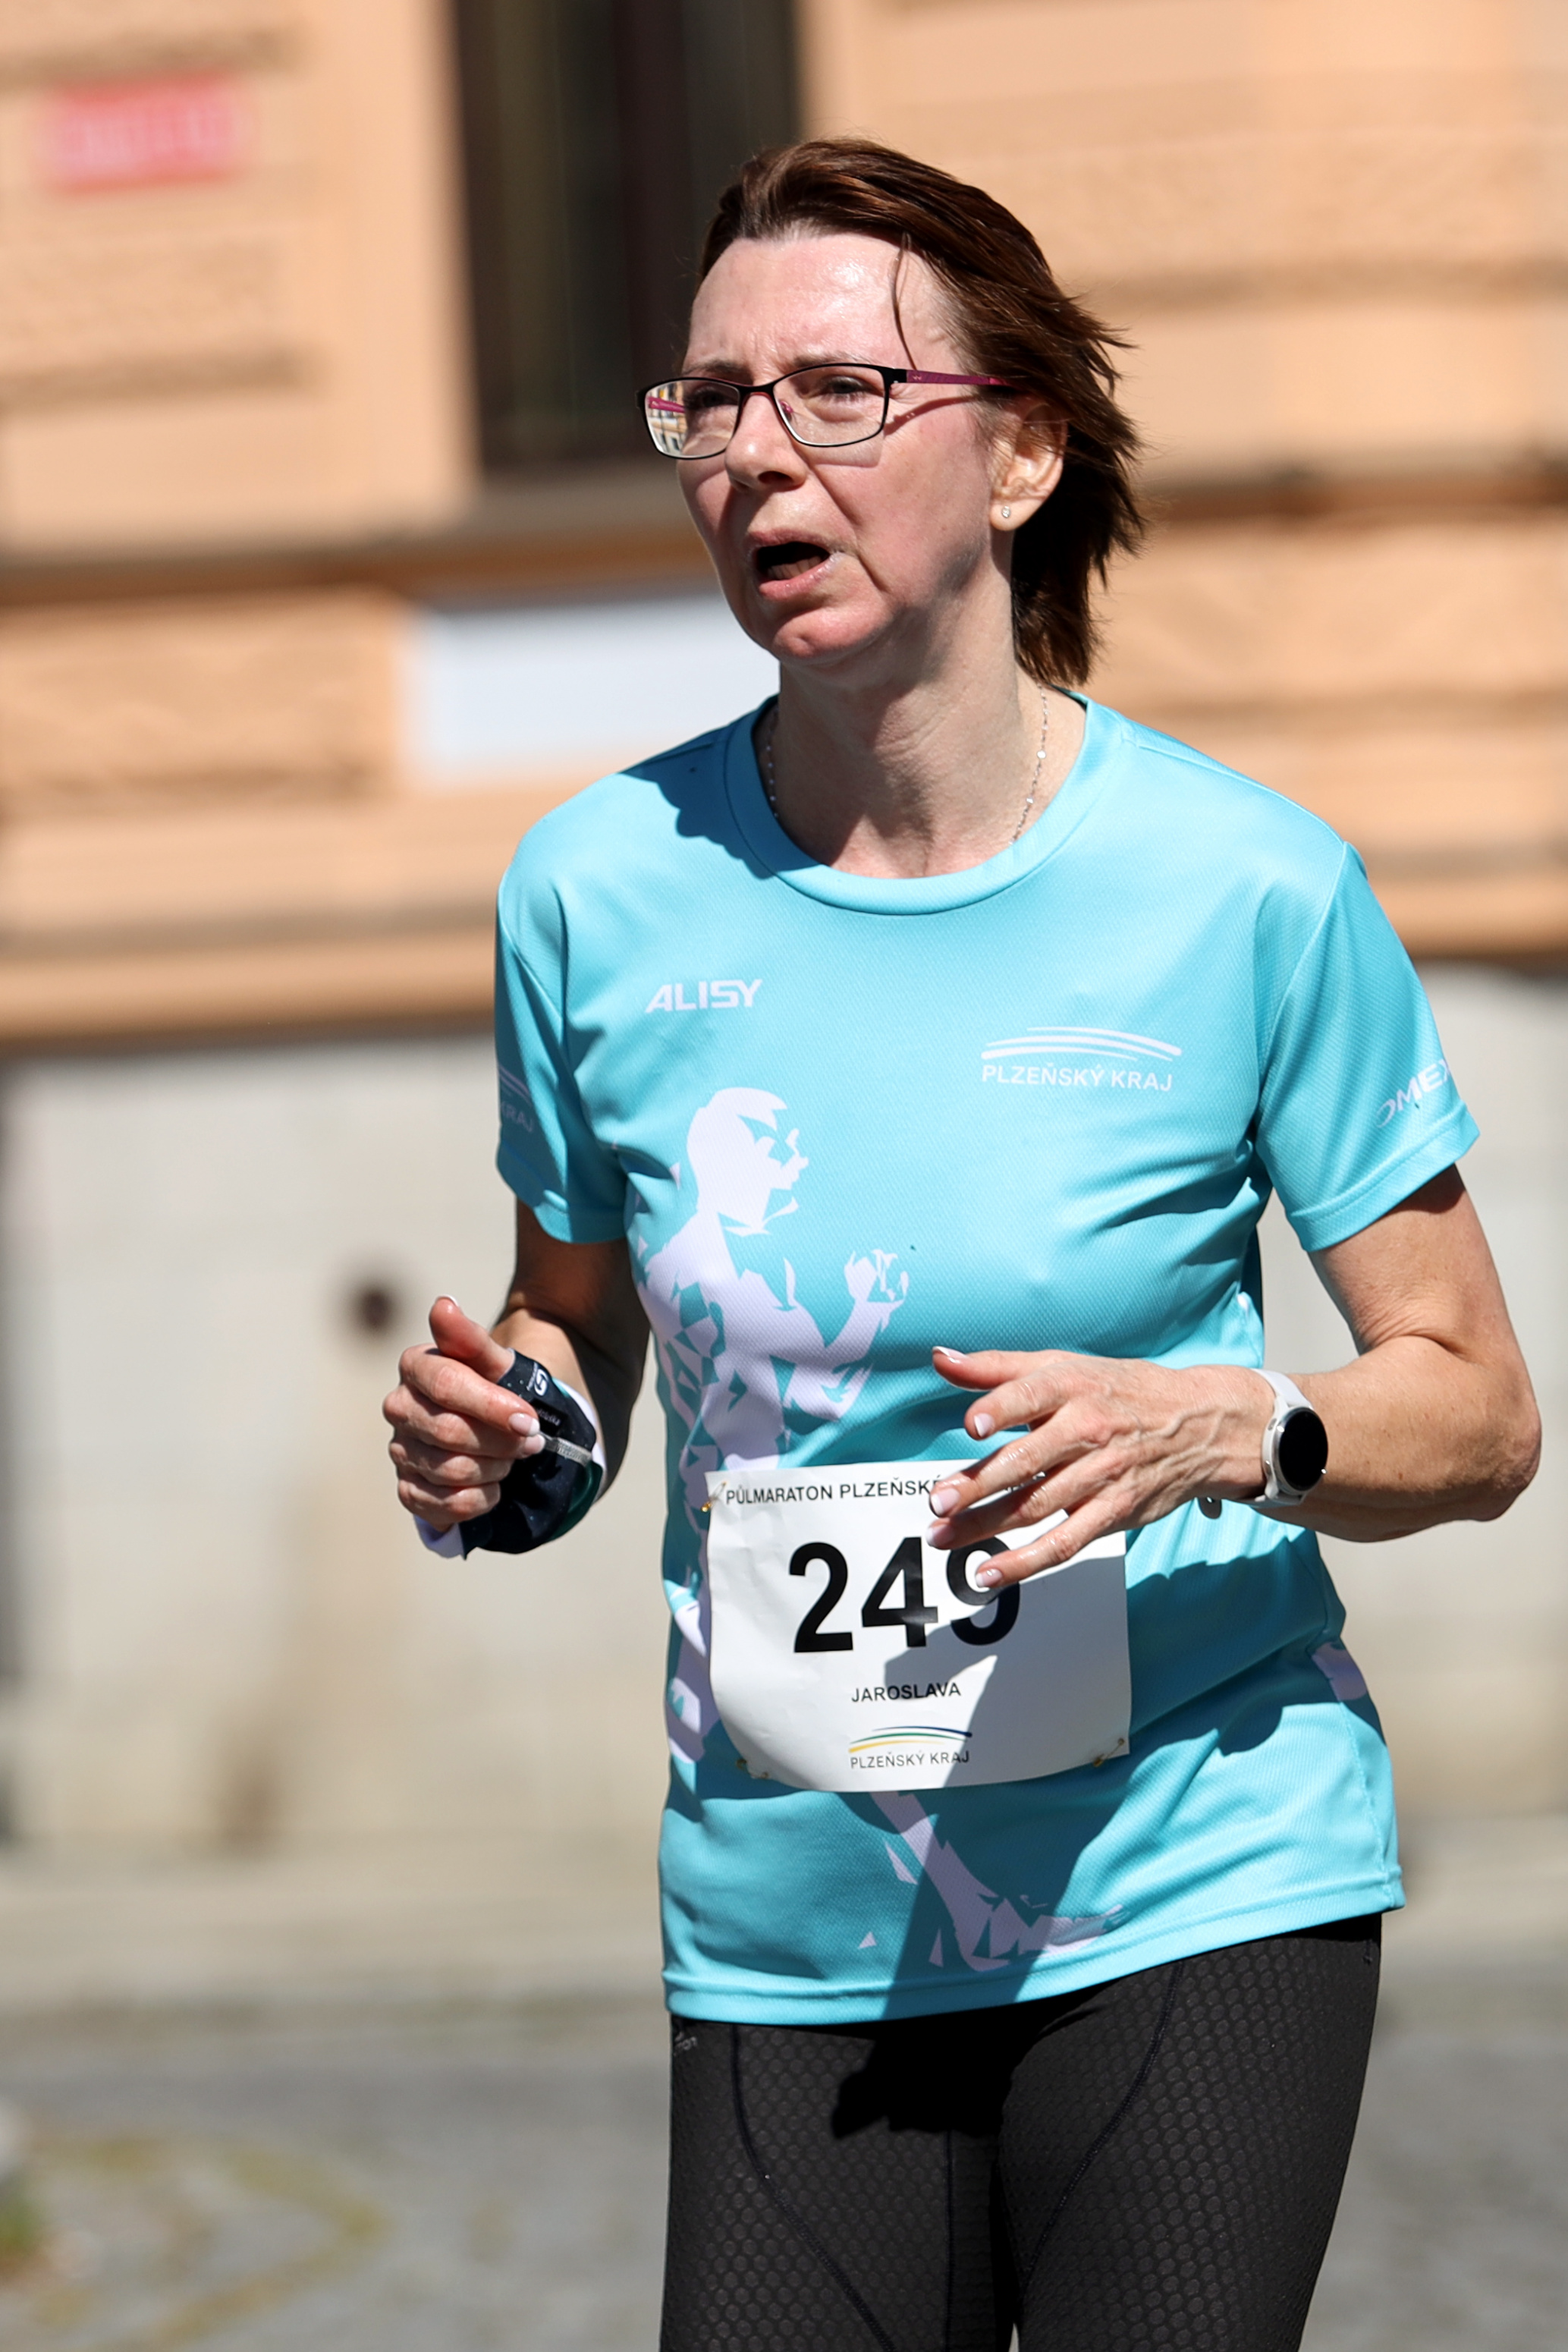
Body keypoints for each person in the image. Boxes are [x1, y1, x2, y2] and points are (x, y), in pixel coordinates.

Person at [383, 138, 1538, 2351]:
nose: (756, 455)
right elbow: (570, 1322)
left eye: (837, 392)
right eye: (713, 401)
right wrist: (510, 1434)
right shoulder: (593, 892)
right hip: (786, 1915)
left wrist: (1231, 1426)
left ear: (1019, 452)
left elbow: (1477, 1411)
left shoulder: (1246, 890)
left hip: (1191, 1871)